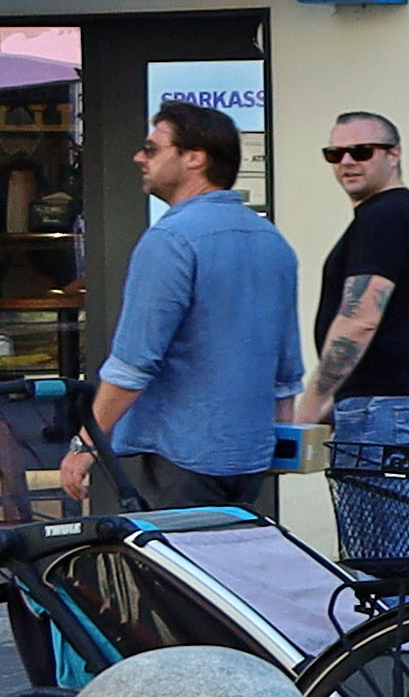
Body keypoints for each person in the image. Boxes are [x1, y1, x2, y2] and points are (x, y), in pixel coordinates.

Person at [58, 100, 297, 520]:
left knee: (176, 582)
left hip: (185, 453)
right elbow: (286, 370)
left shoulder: (171, 240)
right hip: (250, 455)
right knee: (229, 578)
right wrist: (278, 442)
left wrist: (85, 444)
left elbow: (133, 363)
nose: (139, 157)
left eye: (152, 149)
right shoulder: (271, 240)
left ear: (195, 158)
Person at [295, 110, 409, 559]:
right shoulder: (396, 216)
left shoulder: (384, 218)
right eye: (335, 153)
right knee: (383, 550)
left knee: (376, 558)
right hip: (395, 401)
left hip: (386, 404)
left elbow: (360, 316)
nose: (347, 161)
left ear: (394, 154)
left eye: (361, 151)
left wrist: (314, 399)